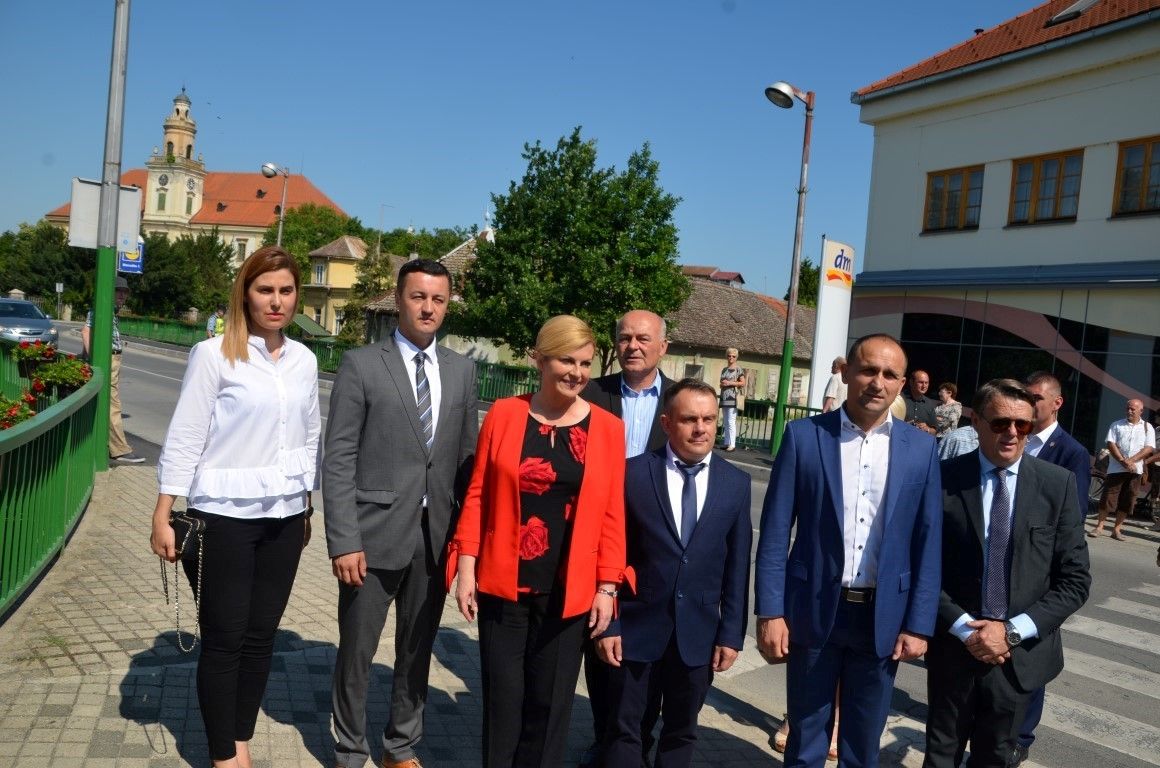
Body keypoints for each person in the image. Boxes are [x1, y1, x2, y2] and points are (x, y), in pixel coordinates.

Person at [149, 245, 321, 768]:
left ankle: (240, 738)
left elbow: (308, 435)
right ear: (245, 293)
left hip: (285, 517)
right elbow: (186, 434)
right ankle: (224, 755)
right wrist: (163, 510)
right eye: (265, 290)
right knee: (225, 640)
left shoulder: (304, 360)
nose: (276, 301)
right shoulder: (213, 354)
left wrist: (305, 505)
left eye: (286, 290)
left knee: (261, 636)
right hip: (222, 516)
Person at [447, 314, 627, 768]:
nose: (577, 373)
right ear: (540, 359)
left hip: (569, 590)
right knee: (502, 703)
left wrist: (607, 587)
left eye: (585, 363)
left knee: (549, 708)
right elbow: (478, 494)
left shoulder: (607, 429)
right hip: (503, 584)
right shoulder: (505, 414)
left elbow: (612, 513)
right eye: (566, 360)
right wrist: (466, 566)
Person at [754, 333, 942, 768]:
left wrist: (919, 624)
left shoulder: (922, 449)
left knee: (862, 745)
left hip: (882, 616)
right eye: (868, 370)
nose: (878, 382)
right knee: (806, 740)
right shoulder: (803, 437)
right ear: (847, 373)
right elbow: (775, 532)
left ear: (902, 384)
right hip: (814, 608)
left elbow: (928, 542)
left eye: (890, 374)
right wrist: (770, 611)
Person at [324, 259, 479, 768]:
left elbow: (466, 462)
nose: (428, 308)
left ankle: (400, 747)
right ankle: (350, 750)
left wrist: (467, 544)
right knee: (357, 651)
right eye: (418, 297)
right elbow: (339, 457)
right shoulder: (362, 364)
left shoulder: (462, 370)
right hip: (371, 536)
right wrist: (344, 539)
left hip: (434, 538)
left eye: (438, 299)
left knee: (416, 650)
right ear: (398, 300)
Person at [923, 379, 1090, 768]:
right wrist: (965, 628)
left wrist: (1010, 632)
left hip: (1018, 657)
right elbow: (922, 568)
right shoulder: (942, 479)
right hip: (954, 649)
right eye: (1000, 423)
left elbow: (1075, 581)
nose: (1012, 433)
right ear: (977, 422)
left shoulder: (1057, 485)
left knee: (996, 759)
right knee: (940, 756)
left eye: (1023, 424)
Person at [597, 378, 751, 768]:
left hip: (698, 635)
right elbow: (610, 554)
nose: (701, 428)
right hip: (636, 630)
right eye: (689, 419)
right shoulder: (633, 474)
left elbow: (737, 567)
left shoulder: (736, 483)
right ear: (667, 423)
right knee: (625, 730)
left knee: (681, 732)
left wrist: (731, 634)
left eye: (709, 419)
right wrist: (610, 625)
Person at [579, 308, 671, 767]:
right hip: (596, 540)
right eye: (625, 338)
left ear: (663, 347)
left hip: (655, 544)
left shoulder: (681, 400)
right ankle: (606, 739)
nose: (633, 346)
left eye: (643, 338)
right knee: (599, 642)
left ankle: (638, 741)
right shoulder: (592, 393)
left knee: (648, 649)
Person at [1008, 371, 1092, 766]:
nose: (1030, 403)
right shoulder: (1015, 438)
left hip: (1040, 569)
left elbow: (1072, 516)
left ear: (1056, 403)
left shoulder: (1071, 452)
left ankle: (1022, 735)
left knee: (1032, 651)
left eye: (1036, 398)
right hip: (1003, 561)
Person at [81, 275, 144, 463]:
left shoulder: (110, 311)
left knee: (108, 401)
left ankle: (106, 445)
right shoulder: (103, 309)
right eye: (119, 291)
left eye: (125, 292)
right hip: (108, 358)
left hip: (112, 357)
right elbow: (86, 331)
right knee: (113, 403)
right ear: (110, 292)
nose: (122, 296)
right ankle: (120, 450)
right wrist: (94, 358)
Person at [1089, 398, 1154, 540]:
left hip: (1135, 471)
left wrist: (1131, 461)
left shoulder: (1148, 427)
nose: (1129, 411)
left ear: (1141, 411)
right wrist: (1122, 461)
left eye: (1133, 409)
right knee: (1108, 498)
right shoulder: (1116, 425)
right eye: (1127, 408)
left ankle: (1117, 530)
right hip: (1116, 469)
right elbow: (1111, 444)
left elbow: (1149, 448)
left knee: (1128, 500)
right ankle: (1099, 527)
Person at [718, 348, 745, 452]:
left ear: (736, 357)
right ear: (726, 356)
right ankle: (726, 443)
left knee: (731, 421)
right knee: (725, 421)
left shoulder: (738, 369)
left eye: (733, 356)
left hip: (733, 398)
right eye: (729, 356)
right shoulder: (724, 370)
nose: (731, 358)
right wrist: (722, 384)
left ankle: (732, 444)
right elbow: (721, 383)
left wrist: (729, 383)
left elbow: (743, 383)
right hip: (724, 397)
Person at [901, 368, 938, 434]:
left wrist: (927, 429)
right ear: (911, 382)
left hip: (920, 439)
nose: (924, 386)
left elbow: (935, 430)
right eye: (921, 382)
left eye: (926, 383)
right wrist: (905, 426)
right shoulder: (900, 399)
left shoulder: (929, 403)